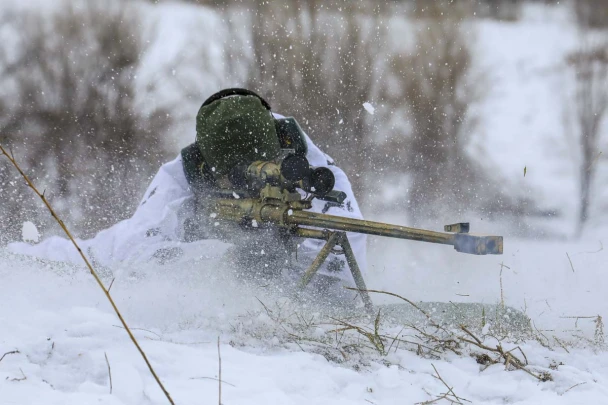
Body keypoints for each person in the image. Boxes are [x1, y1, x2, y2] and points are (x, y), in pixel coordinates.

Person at [8, 88, 366, 295]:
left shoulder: (319, 178)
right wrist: (220, 260)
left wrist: (281, 266)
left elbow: (343, 279)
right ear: (210, 166)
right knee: (90, 257)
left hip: (284, 290)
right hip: (190, 251)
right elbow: (134, 251)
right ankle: (12, 257)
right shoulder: (183, 174)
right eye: (234, 178)